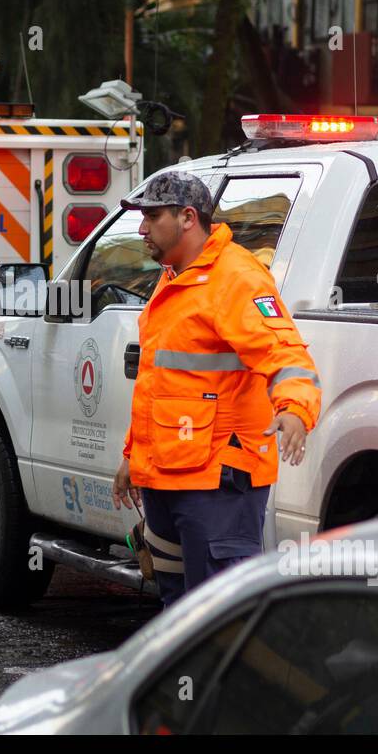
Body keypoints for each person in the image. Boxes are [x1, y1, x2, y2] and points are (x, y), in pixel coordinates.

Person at [111, 171, 322, 607]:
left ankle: (220, 680)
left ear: (188, 217)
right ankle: (188, 679)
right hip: (171, 476)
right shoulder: (174, 278)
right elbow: (161, 383)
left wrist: (295, 409)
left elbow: (285, 352)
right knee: (179, 613)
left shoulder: (236, 278)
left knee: (219, 615)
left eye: (152, 216)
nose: (142, 229)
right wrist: (134, 457)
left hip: (217, 481)